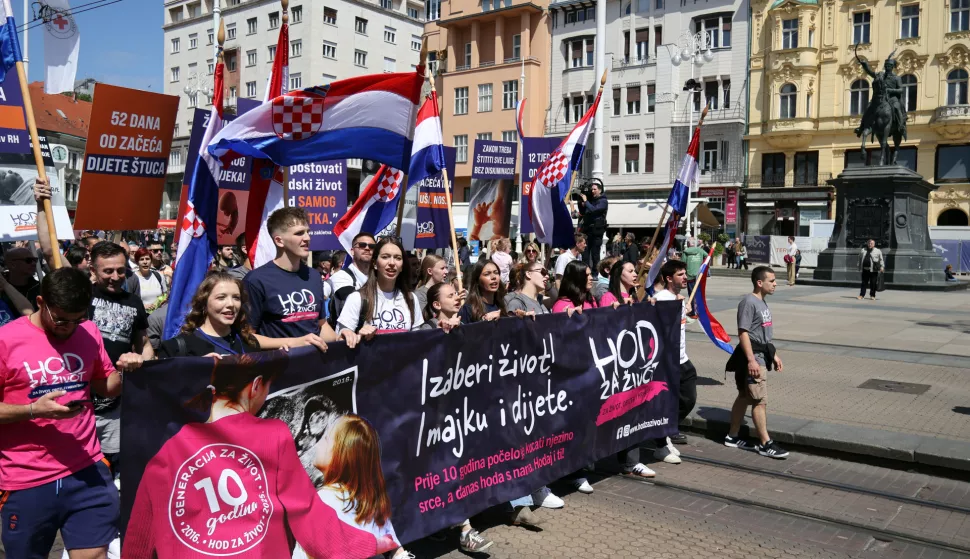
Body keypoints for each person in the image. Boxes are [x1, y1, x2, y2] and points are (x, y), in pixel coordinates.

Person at [124, 353, 391, 558]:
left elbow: (138, 545)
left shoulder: (166, 452)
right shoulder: (273, 433)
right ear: (256, 386)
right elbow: (309, 518)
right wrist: (372, 544)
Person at [0, 267, 136, 559]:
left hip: (87, 468)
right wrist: (33, 410)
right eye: (61, 319)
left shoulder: (88, 331)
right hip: (27, 478)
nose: (69, 327)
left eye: (78, 319)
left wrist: (128, 371)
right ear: (40, 302)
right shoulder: (6, 340)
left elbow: (106, 386)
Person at [244, 208, 358, 351]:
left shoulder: (314, 276)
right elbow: (247, 336)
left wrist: (340, 338)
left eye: (307, 232)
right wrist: (293, 342)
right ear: (279, 241)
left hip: (314, 367)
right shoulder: (256, 280)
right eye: (299, 233)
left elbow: (321, 325)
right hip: (278, 368)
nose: (307, 238)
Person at [88, 241, 154, 482]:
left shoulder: (133, 302)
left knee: (114, 463)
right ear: (93, 271)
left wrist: (143, 362)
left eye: (121, 270)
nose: (115, 276)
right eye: (108, 271)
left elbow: (144, 343)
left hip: (117, 402)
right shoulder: (81, 297)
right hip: (80, 402)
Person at [724, 266, 789, 459]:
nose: (775, 284)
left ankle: (732, 436)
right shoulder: (749, 302)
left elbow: (762, 334)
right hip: (753, 359)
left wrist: (774, 355)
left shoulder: (761, 302)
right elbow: (743, 332)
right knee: (760, 401)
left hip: (761, 355)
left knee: (744, 396)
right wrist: (751, 360)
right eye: (772, 281)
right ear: (759, 283)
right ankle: (765, 443)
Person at [653, 260, 700, 463]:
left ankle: (667, 430)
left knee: (688, 398)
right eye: (680, 274)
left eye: (684, 274)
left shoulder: (676, 298)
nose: (684, 278)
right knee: (669, 401)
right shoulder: (662, 299)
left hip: (682, 357)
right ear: (668, 278)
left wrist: (685, 309)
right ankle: (661, 440)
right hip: (668, 361)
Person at [158, 272, 261, 357]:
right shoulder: (175, 348)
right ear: (204, 302)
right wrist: (196, 369)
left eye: (236, 298)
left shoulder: (249, 342)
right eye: (221, 297)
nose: (231, 304)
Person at [337, 237, 424, 336]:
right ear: (374, 263)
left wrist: (439, 330)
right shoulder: (356, 298)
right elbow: (341, 340)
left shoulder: (411, 298)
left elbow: (417, 341)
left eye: (397, 258)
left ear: (402, 266)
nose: (392, 263)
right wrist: (357, 335)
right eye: (385, 257)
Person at [328, 232, 375, 328]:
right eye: (362, 245)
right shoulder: (340, 276)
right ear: (352, 251)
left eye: (372, 246)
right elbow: (354, 300)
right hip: (350, 336)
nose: (367, 248)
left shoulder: (378, 276)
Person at [458, 259, 506, 324]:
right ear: (477, 280)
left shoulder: (502, 304)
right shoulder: (468, 309)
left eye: (496, 273)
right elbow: (464, 333)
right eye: (487, 274)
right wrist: (484, 321)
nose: (493, 277)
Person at [578, 181, 608, 275]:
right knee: (585, 253)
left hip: (597, 231)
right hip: (587, 230)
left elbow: (594, 210)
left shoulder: (603, 201)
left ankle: (595, 273)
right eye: (592, 189)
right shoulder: (591, 200)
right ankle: (585, 272)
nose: (593, 191)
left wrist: (586, 202)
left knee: (595, 254)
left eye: (595, 189)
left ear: (600, 190)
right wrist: (581, 202)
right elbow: (583, 212)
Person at [1, 247, 39, 317]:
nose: (34, 263)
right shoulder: (1, 288)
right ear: (12, 264)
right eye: (28, 260)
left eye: (35, 260)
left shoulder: (41, 288)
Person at [128, 247, 167, 313]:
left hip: (157, 317)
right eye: (142, 259)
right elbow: (128, 300)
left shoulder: (159, 276)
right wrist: (142, 306)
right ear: (137, 262)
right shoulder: (132, 278)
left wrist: (162, 302)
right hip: (141, 315)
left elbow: (165, 295)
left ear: (151, 261)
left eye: (147, 259)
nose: (145, 262)